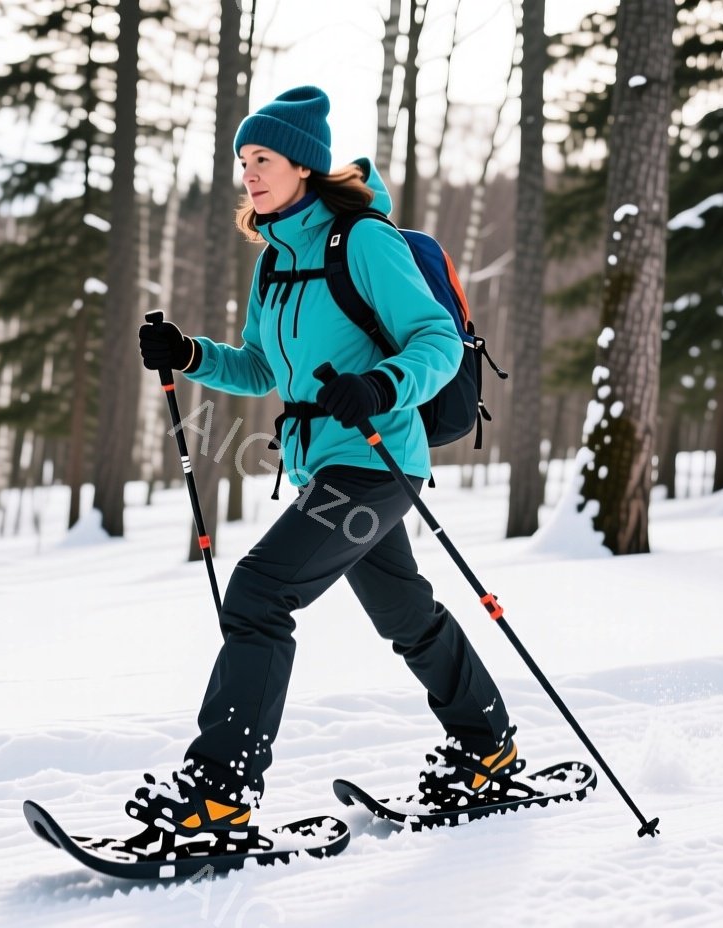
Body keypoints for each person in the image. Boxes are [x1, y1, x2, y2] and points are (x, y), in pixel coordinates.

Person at [133, 85, 520, 845]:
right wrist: (189, 355)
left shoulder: (363, 242)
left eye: (263, 158)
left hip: (377, 462)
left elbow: (437, 342)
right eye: (243, 160)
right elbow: (257, 369)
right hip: (325, 468)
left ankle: (220, 792)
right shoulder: (275, 260)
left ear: (304, 166)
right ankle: (487, 750)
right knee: (406, 614)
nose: (248, 173)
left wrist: (381, 384)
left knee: (258, 595)